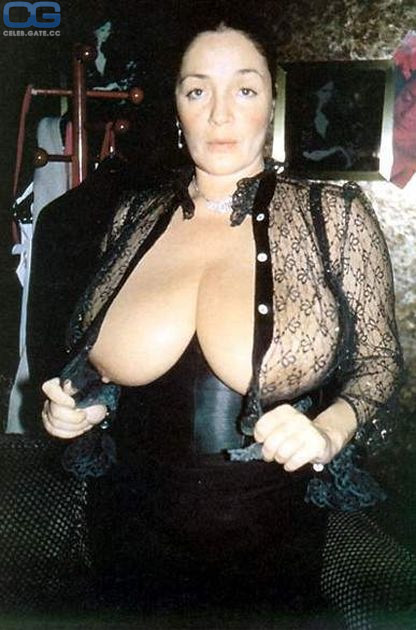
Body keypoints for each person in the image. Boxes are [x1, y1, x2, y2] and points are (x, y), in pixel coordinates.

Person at [40, 15, 414, 627]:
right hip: (124, 558)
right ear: (176, 107)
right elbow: (96, 367)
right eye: (197, 90)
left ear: (272, 102)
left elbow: (378, 361)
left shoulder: (334, 216)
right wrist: (77, 407)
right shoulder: (131, 216)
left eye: (244, 88)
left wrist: (330, 430)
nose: (219, 114)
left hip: (269, 570)